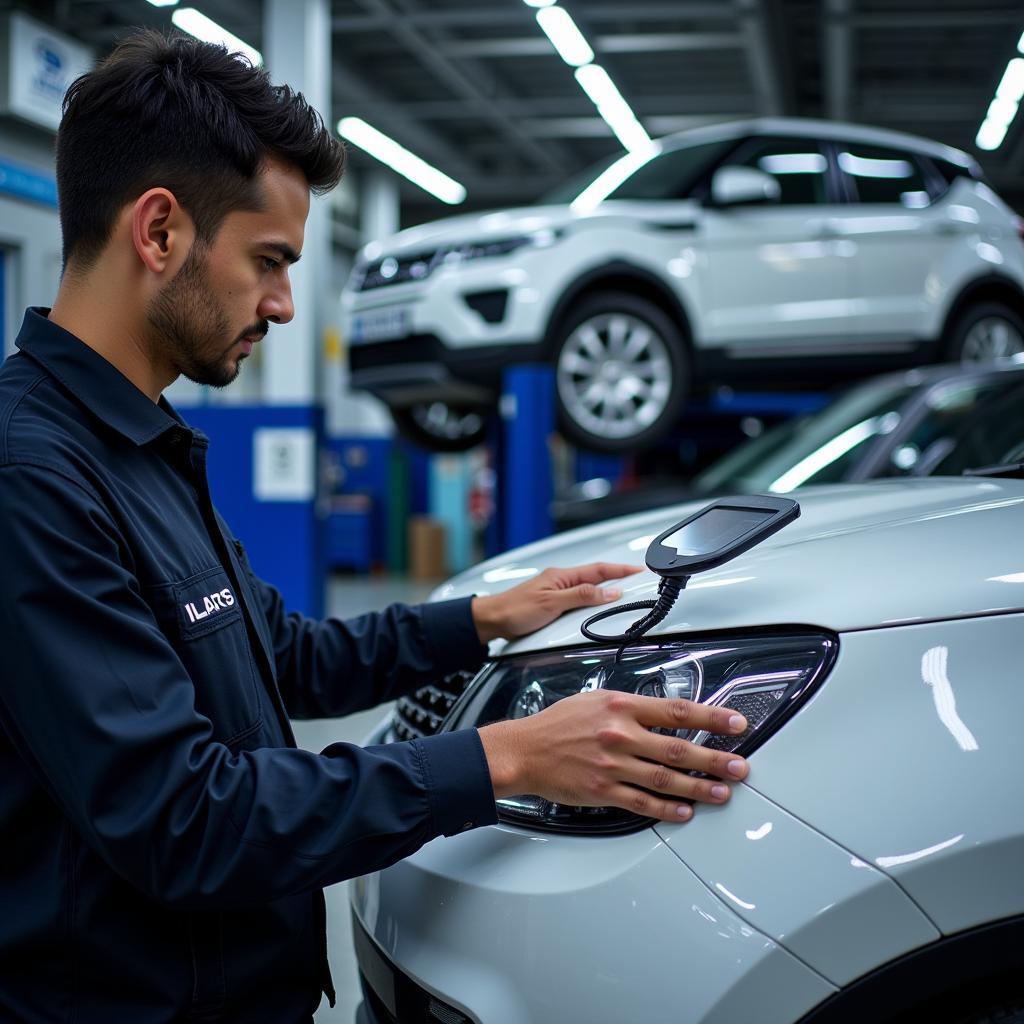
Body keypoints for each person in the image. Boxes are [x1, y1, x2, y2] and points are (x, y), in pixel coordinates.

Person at [0, 31, 750, 1024]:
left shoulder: (146, 445)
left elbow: (290, 658)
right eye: (268, 261)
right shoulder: (33, 477)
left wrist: (482, 617)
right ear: (159, 232)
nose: (280, 303)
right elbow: (182, 816)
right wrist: (504, 760)